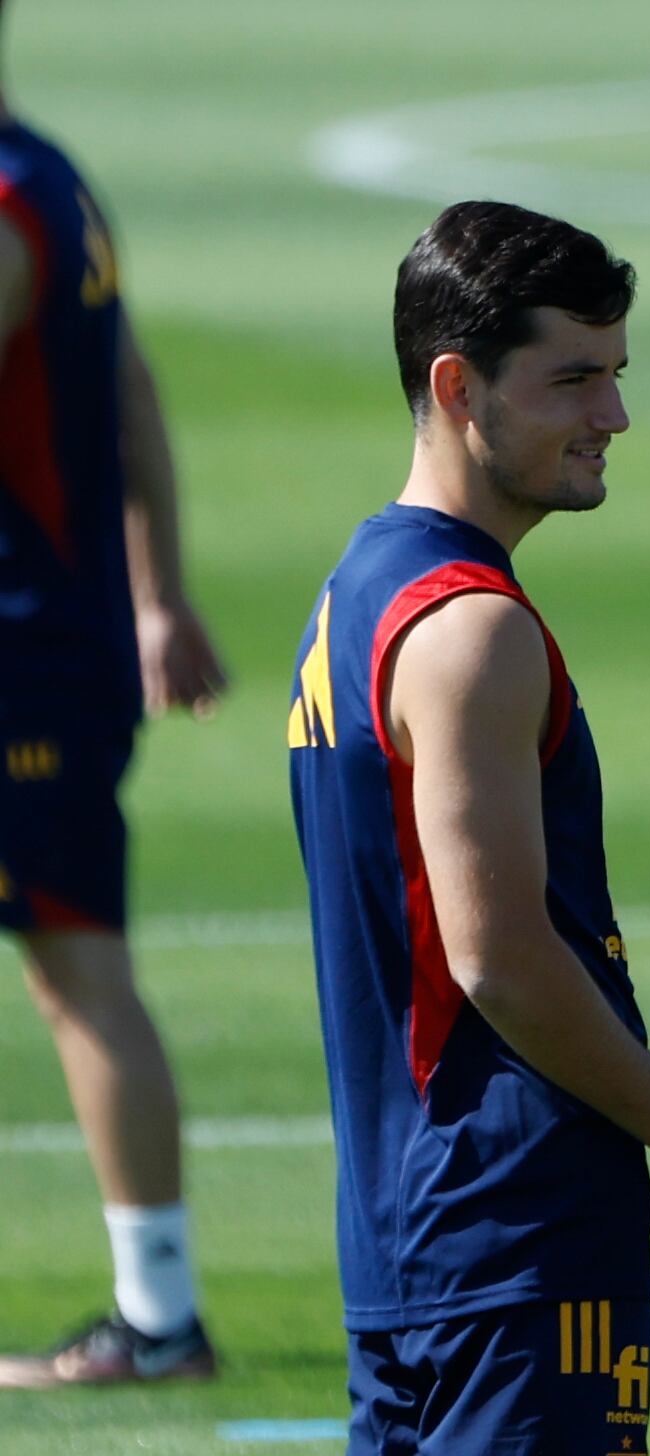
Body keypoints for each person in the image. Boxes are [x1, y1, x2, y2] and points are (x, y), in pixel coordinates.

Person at [287, 200, 650, 1454]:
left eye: (617, 375)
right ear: (459, 385)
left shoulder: (361, 588)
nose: (613, 418)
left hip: (413, 1237)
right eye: (574, 379)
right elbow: (498, 959)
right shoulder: (473, 628)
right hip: (516, 1247)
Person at [0, 0, 228, 1387]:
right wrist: (156, 592)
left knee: (83, 977)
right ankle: (159, 1313)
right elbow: (129, 387)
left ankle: (160, 1320)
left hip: (19, 655)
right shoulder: (53, 176)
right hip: (63, 640)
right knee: (80, 974)